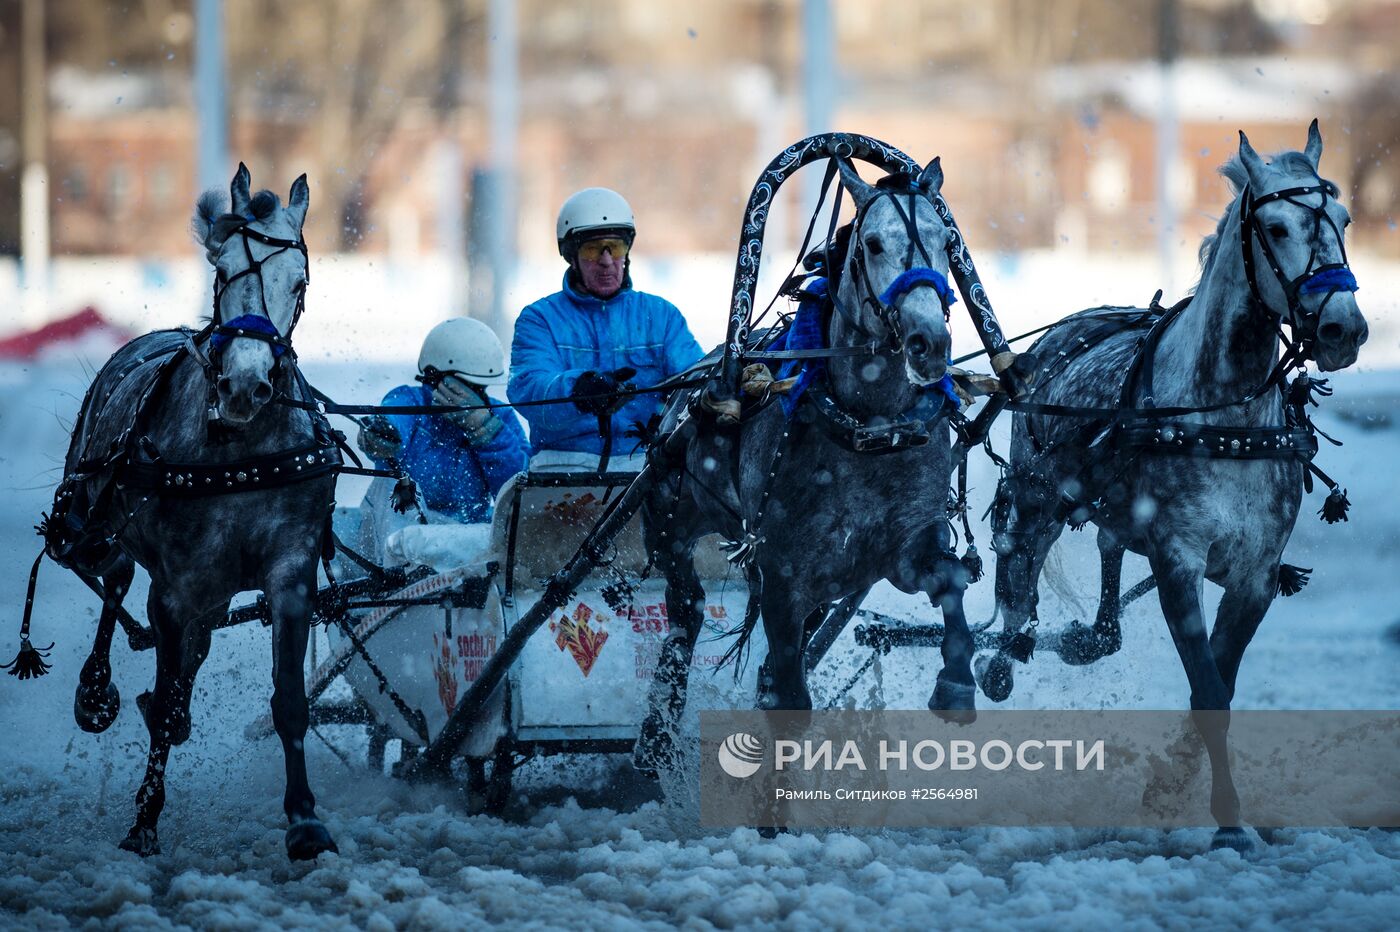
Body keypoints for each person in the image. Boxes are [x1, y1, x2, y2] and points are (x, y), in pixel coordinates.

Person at [508, 187, 703, 459]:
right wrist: (580, 389)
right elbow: (527, 389)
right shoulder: (540, 319)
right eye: (592, 249)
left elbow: (697, 379)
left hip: (647, 466)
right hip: (562, 468)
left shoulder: (662, 316)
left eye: (616, 247)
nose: (607, 261)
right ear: (571, 256)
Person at [357, 317, 528, 523]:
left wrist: (485, 431)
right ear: (436, 376)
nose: (476, 397)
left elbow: (518, 494)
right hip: (401, 537)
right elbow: (389, 426)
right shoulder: (408, 403)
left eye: (480, 388)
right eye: (469, 386)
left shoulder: (500, 417)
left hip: (467, 541)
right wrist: (378, 434)